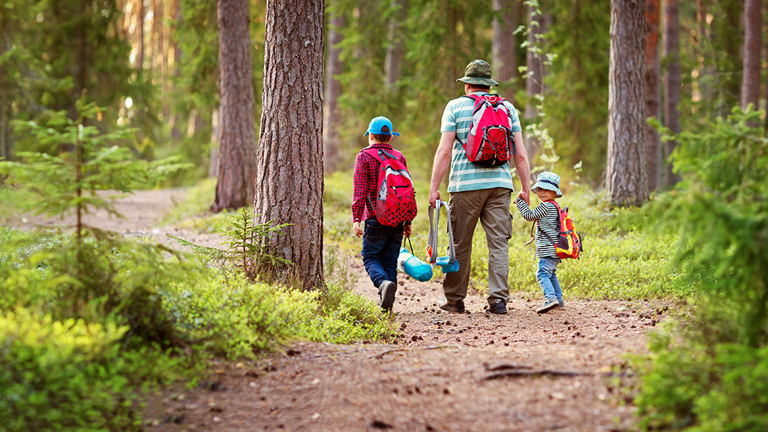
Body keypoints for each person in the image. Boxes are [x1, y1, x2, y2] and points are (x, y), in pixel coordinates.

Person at [428, 59, 531, 315]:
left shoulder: (454, 107)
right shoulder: (507, 108)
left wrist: (434, 188)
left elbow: (444, 151)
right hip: (500, 185)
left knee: (460, 244)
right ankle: (498, 300)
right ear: (489, 85)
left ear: (467, 86)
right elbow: (520, 155)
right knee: (498, 244)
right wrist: (526, 188)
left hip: (464, 186)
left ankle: (454, 300)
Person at [353, 116, 413, 311]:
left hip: (374, 216)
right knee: (389, 259)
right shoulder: (399, 156)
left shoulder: (364, 156)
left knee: (370, 257)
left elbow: (360, 190)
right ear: (390, 138)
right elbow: (407, 191)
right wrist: (408, 221)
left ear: (371, 135)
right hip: (397, 218)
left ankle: (382, 284)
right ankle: (387, 306)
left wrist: (356, 218)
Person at [514, 171, 564, 314]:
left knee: (542, 274)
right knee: (551, 274)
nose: (542, 192)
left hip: (548, 249)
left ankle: (550, 299)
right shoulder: (555, 206)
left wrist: (520, 202)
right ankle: (559, 300)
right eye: (540, 189)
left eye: (547, 189)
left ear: (554, 192)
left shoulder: (546, 206)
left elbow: (529, 215)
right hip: (556, 248)